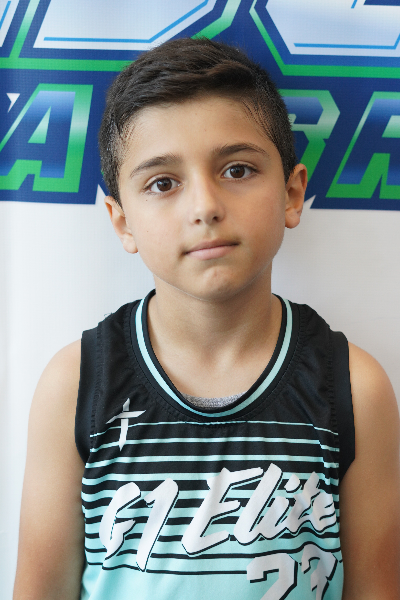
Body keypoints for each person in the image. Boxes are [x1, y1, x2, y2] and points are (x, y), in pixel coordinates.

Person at [13, 38, 400, 600]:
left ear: (292, 193)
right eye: (163, 183)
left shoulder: (354, 387)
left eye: (237, 170)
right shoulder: (76, 385)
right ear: (122, 222)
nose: (205, 206)